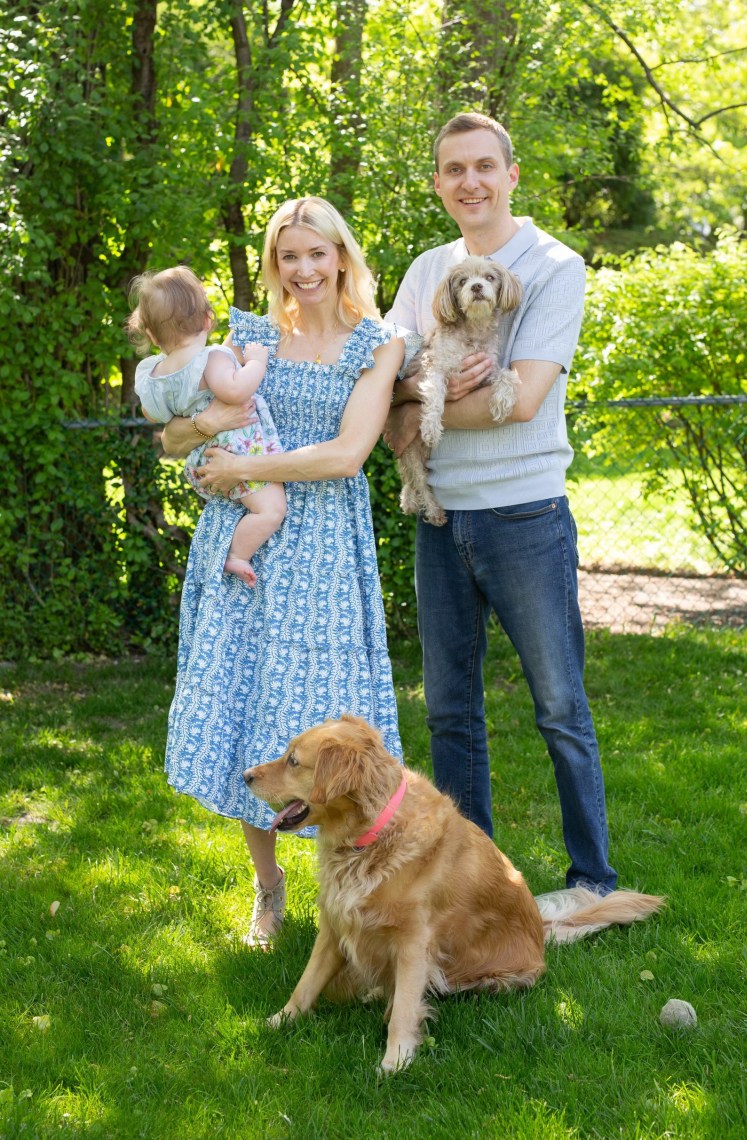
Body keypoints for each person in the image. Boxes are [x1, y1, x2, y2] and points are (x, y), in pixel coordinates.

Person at [160, 197, 405, 947]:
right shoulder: (251, 336)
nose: (303, 271)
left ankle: (352, 891)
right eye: (288, 256)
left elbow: (347, 455)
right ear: (275, 263)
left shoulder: (378, 342)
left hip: (325, 547)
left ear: (341, 257)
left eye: (316, 254)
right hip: (246, 544)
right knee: (246, 706)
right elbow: (172, 440)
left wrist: (246, 464)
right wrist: (206, 435)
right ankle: (268, 892)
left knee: (324, 722)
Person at [384, 112, 617, 894]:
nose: (470, 182)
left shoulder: (553, 264)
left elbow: (524, 399)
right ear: (439, 183)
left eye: (485, 166)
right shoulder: (426, 272)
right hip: (441, 518)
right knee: (450, 712)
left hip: (524, 514)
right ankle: (471, 883)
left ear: (512, 174)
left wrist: (416, 414)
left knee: (560, 706)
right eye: (455, 169)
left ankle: (592, 878)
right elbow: (385, 373)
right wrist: (410, 400)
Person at [128, 266, 286, 588]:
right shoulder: (211, 359)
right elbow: (236, 391)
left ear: (153, 335)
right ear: (207, 320)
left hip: (203, 461)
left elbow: (152, 414)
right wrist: (257, 361)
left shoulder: (152, 374)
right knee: (271, 510)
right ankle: (237, 555)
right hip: (238, 453)